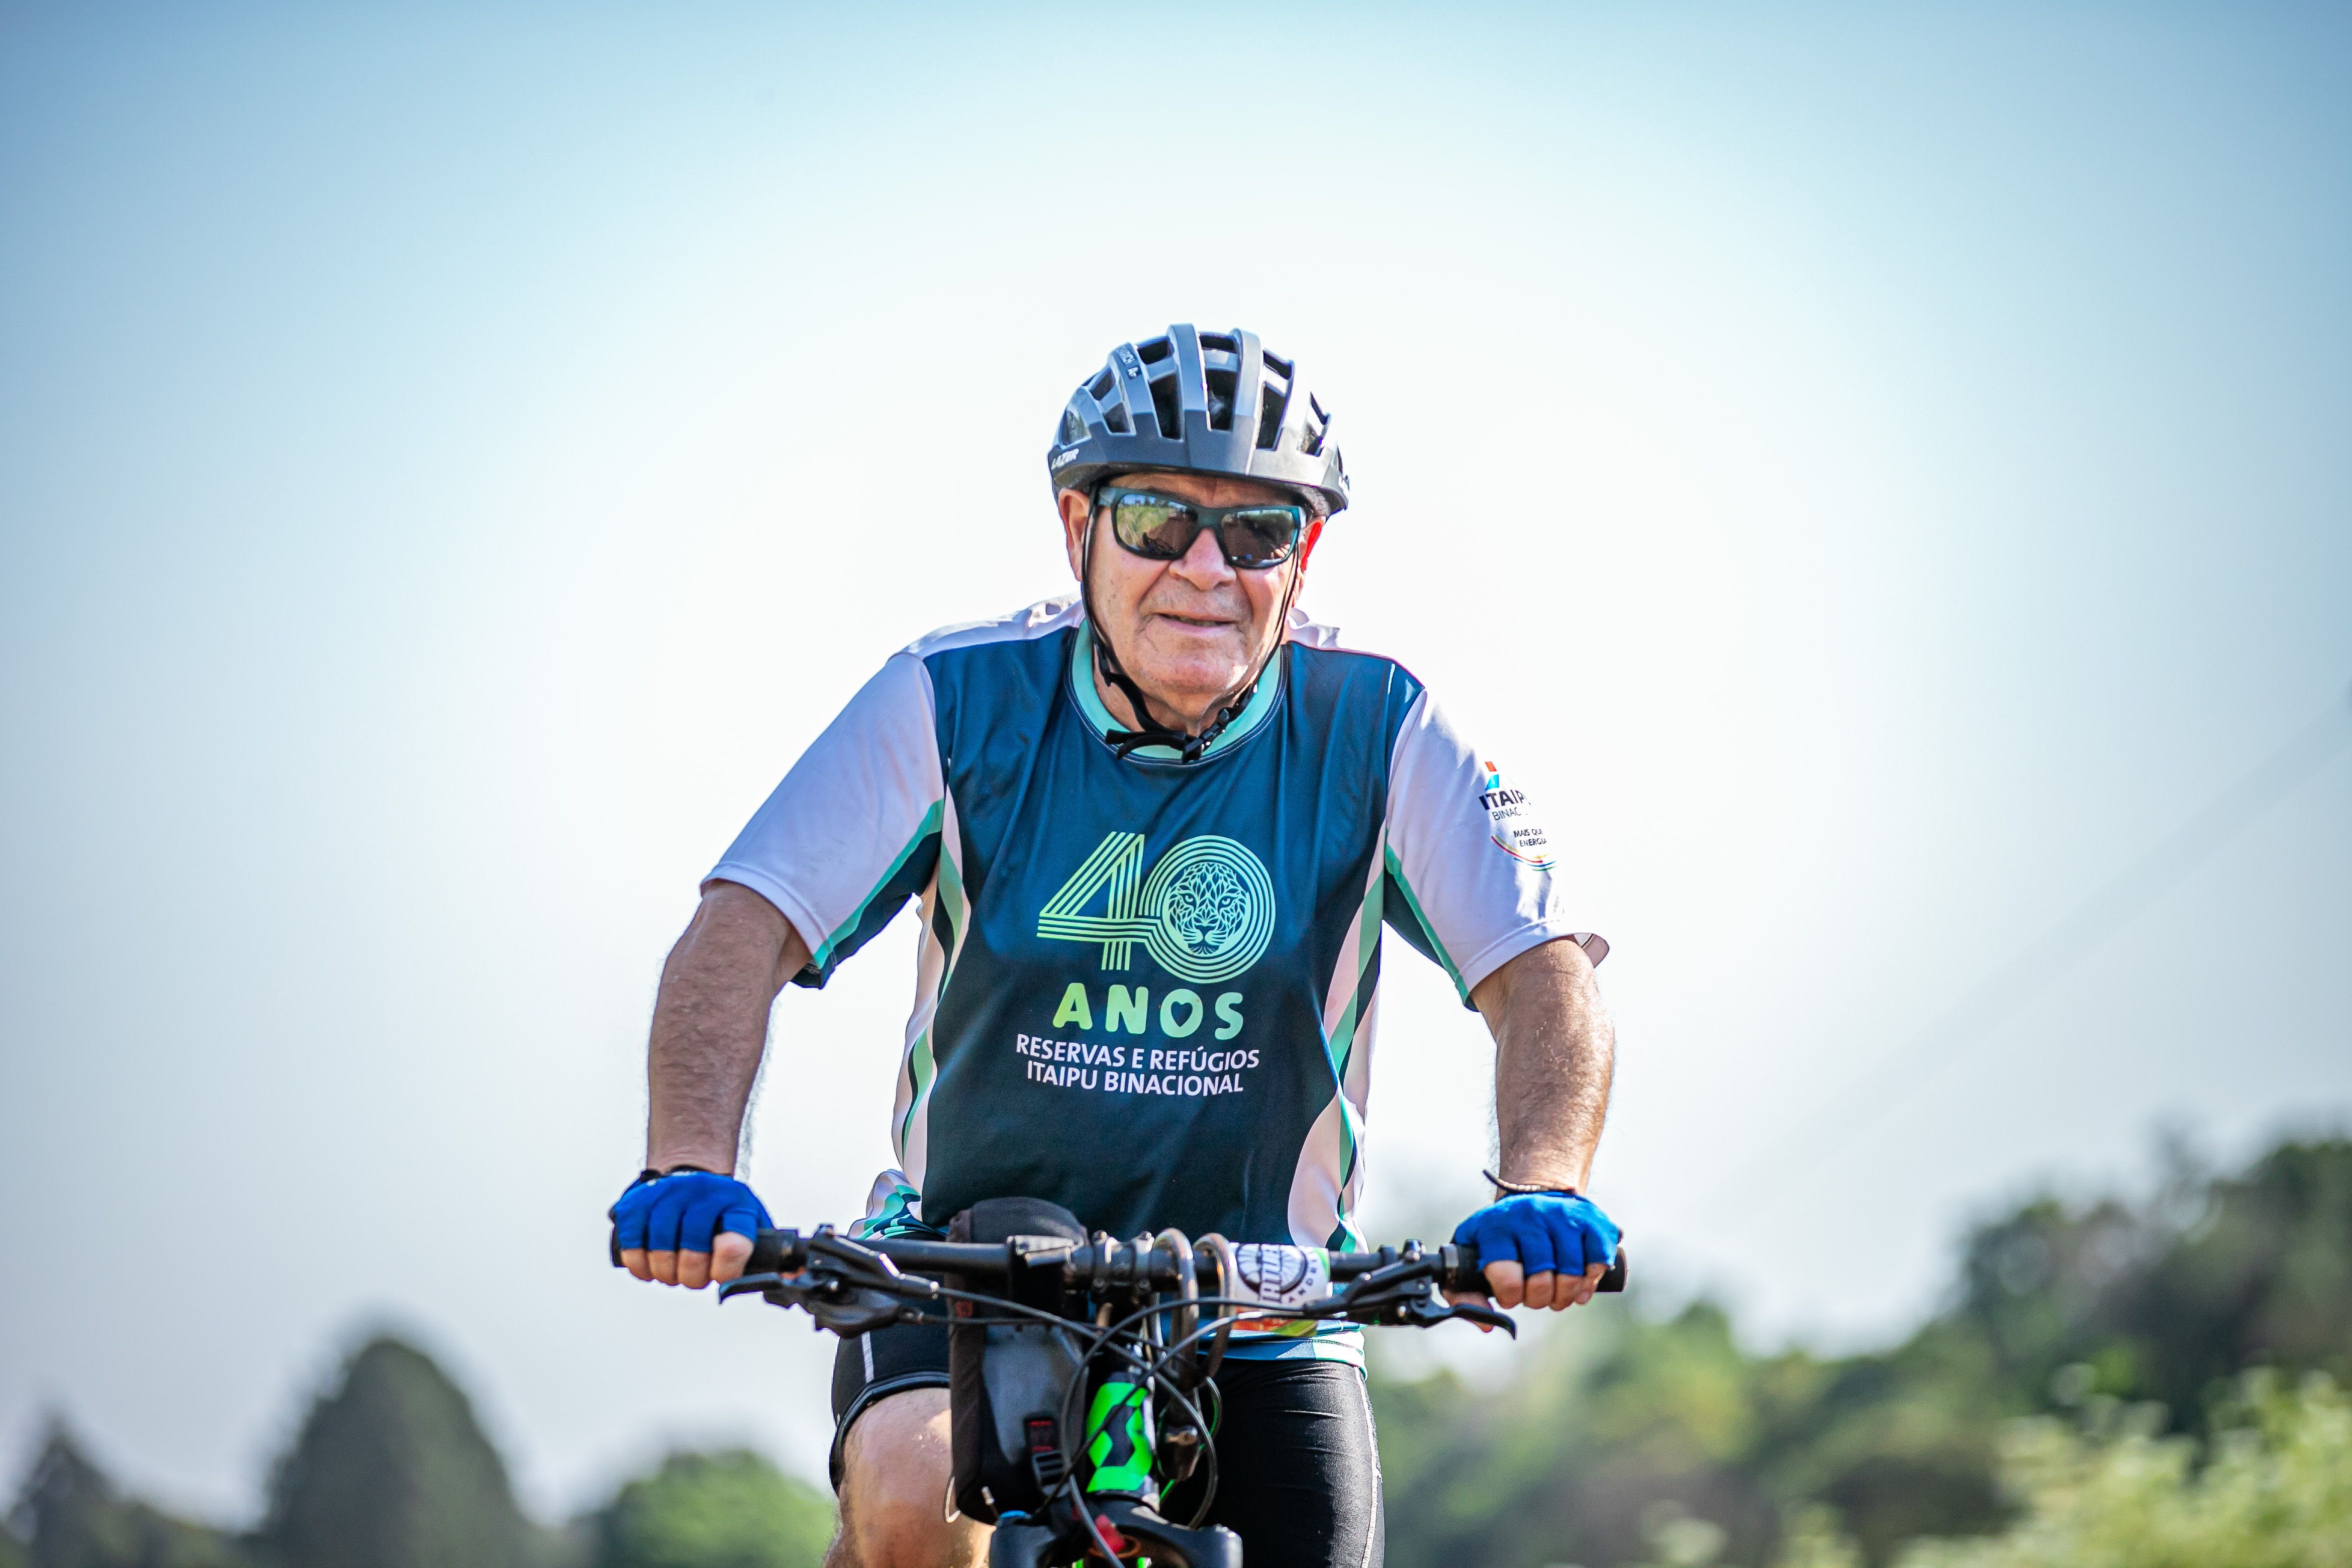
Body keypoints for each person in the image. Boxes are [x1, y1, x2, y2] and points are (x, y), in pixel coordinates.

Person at [610, 325, 1620, 1568]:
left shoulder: (1382, 721)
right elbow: (743, 924)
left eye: (1256, 532)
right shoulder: (952, 697)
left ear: (1303, 556)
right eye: (1156, 520)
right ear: (1076, 526)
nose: (1205, 569)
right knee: (916, 1507)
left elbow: (1542, 970)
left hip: (1268, 1299)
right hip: (963, 1269)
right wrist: (688, 1163)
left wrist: (1545, 1185)